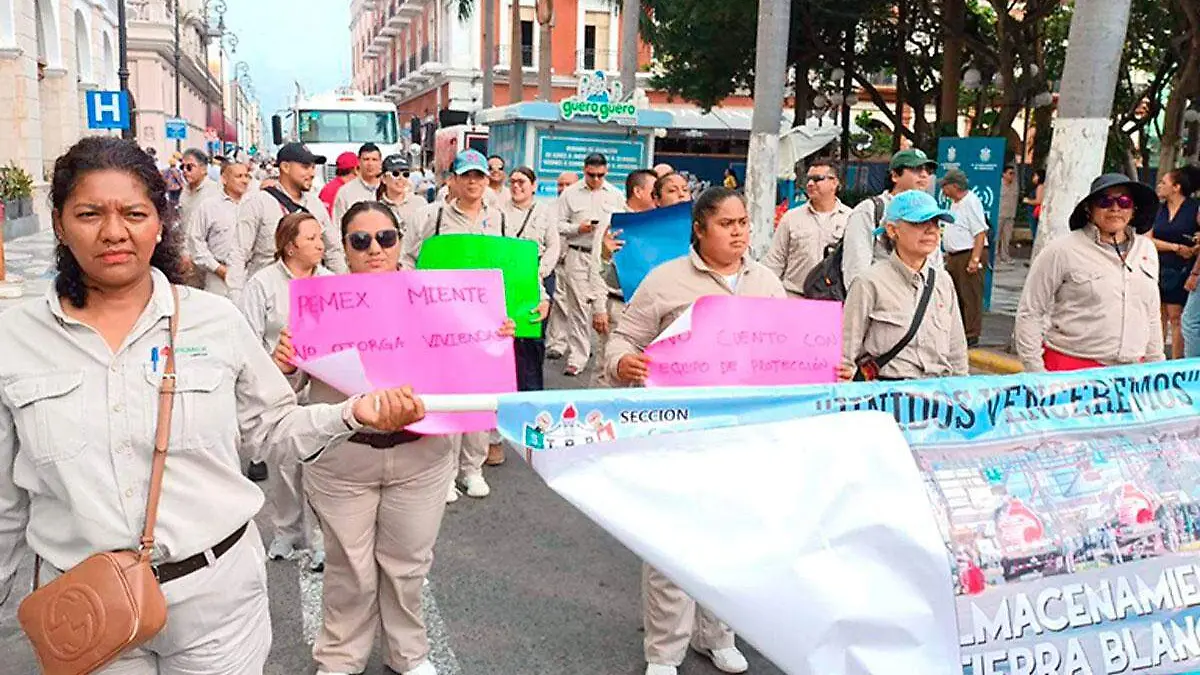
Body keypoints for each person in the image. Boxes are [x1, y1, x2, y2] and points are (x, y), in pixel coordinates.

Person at [0, 136, 427, 672]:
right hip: (88, 611)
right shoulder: (13, 339)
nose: (113, 232)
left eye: (134, 213)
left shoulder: (214, 321)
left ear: (160, 222)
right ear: (60, 224)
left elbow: (269, 428)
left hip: (216, 607)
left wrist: (350, 414)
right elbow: (5, 504)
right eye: (89, 213)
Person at [272, 201, 513, 675]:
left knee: (407, 568)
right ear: (344, 248)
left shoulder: (441, 299)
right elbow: (285, 390)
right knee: (349, 571)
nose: (374, 249)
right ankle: (341, 657)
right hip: (344, 461)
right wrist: (282, 362)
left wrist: (493, 334)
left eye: (385, 237)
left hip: (420, 459)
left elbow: (471, 364)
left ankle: (410, 655)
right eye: (360, 240)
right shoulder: (318, 302)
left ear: (401, 241)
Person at [607, 187, 781, 675]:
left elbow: (787, 352)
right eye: (727, 224)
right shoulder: (665, 281)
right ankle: (664, 652)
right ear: (699, 230)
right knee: (672, 546)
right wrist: (623, 362)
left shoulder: (766, 283)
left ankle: (717, 634)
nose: (739, 233)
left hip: (742, 439)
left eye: (744, 222)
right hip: (677, 437)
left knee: (730, 543)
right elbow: (624, 337)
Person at [402, 149, 512, 502]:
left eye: (479, 176)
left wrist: (537, 301)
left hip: (487, 327)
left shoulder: (501, 220)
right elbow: (406, 259)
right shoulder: (430, 218)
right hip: (441, 326)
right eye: (466, 175)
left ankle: (472, 469)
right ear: (452, 180)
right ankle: (445, 473)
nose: (473, 182)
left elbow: (518, 268)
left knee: (480, 400)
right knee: (446, 398)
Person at [238, 211, 333, 570]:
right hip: (277, 385)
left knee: (321, 468)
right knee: (283, 466)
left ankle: (321, 541)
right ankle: (286, 533)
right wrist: (272, 364)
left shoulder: (330, 283)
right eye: (310, 238)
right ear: (290, 245)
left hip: (321, 386)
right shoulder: (261, 284)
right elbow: (247, 337)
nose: (320, 244)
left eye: (320, 237)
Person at [1015, 173, 1163, 372]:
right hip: (1072, 369)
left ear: (1133, 210)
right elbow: (1030, 311)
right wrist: (1036, 371)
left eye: (1124, 201)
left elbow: (1151, 315)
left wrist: (1156, 370)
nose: (1115, 208)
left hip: (1132, 375)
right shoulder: (1061, 250)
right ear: (1089, 208)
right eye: (1105, 201)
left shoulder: (1147, 250)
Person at [841, 190, 969, 381]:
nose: (931, 230)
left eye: (935, 222)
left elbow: (957, 352)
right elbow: (846, 353)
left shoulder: (943, 281)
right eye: (919, 223)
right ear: (893, 230)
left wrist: (963, 394)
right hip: (887, 397)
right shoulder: (868, 282)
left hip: (936, 398)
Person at [547, 153, 624, 376]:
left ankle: (604, 353)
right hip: (578, 252)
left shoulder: (615, 195)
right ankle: (577, 357)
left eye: (601, 175)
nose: (596, 180)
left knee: (604, 308)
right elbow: (556, 224)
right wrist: (577, 228)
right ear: (584, 171)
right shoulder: (570, 194)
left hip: (604, 256)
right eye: (592, 175)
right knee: (579, 306)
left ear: (606, 172)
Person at [588, 169, 659, 388]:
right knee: (608, 370)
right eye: (653, 191)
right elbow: (596, 264)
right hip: (617, 306)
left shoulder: (657, 224)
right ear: (638, 191)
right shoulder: (615, 222)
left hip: (648, 309)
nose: (657, 197)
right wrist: (599, 307)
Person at [238, 142, 347, 279]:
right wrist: (237, 296)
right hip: (269, 291)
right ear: (285, 167)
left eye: (313, 167)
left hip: (308, 292)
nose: (312, 173)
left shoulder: (315, 204)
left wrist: (342, 285)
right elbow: (239, 254)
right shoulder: (258, 203)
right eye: (305, 167)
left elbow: (332, 250)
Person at [842, 148, 943, 288]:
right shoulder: (870, 209)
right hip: (882, 299)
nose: (924, 175)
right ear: (895, 175)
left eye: (928, 170)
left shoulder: (931, 210)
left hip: (922, 299)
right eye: (916, 169)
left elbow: (935, 262)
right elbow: (856, 265)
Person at [762, 158, 852, 297]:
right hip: (794, 297)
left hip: (834, 300)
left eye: (817, 179)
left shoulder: (850, 218)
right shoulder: (791, 218)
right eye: (808, 179)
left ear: (834, 183)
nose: (810, 184)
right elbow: (775, 261)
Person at [1150, 167, 1200, 359]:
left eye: (1164, 182)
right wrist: (1175, 247)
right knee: (1158, 315)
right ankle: (1156, 358)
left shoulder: (1194, 209)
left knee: (1176, 316)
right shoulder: (1158, 209)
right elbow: (1148, 238)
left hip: (1183, 269)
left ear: (1176, 187)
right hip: (1159, 264)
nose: (1160, 186)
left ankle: (1176, 362)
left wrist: (1194, 248)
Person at [185, 159, 252, 299]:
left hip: (248, 276)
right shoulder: (209, 207)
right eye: (239, 176)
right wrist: (218, 269)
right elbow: (195, 240)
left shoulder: (254, 206)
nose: (244, 180)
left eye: (247, 176)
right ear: (224, 179)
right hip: (218, 278)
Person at [939, 169, 989, 347]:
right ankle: (959, 331)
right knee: (956, 294)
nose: (943, 190)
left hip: (968, 253)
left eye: (945, 186)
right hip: (955, 256)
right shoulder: (955, 204)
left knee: (971, 295)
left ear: (955, 186)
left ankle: (971, 334)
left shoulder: (971, 202)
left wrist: (975, 259)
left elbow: (980, 232)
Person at [332, 143, 385, 226]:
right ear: (359, 162)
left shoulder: (389, 188)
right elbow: (338, 224)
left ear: (380, 162)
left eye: (374, 160)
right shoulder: (345, 192)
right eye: (366, 159)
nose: (370, 164)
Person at [377, 154, 429, 235]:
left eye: (405, 174)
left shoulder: (420, 203)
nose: (401, 178)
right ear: (383, 178)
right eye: (395, 174)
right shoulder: (377, 208)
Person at [178, 148, 222, 226]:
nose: (185, 170)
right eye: (182, 167)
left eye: (189, 167)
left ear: (203, 169)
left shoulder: (215, 192)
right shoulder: (185, 192)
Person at [997, 165, 1019, 265]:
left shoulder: (1015, 185)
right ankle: (995, 256)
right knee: (996, 237)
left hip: (1010, 215)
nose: (1012, 176)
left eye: (1013, 174)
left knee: (1007, 237)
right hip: (1000, 214)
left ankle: (1005, 256)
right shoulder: (999, 184)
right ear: (1004, 174)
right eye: (1010, 173)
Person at [1024, 169, 1045, 238]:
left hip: (1034, 212)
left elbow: (1038, 201)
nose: (1033, 177)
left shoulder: (1040, 187)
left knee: (1034, 231)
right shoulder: (1041, 186)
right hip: (1033, 212)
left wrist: (1028, 201)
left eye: (1035, 176)